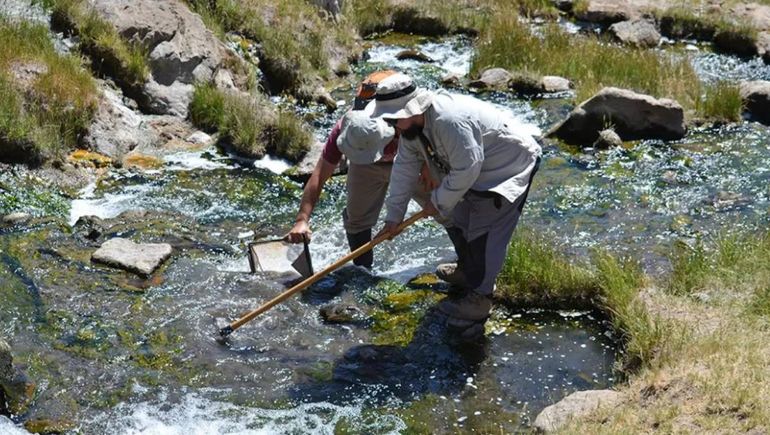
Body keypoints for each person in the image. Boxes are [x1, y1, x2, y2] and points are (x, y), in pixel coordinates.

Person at [373, 73, 541, 324]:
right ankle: (467, 271)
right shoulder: (411, 129)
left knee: (484, 234)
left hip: (507, 168)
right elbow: (404, 169)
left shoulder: (450, 120)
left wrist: (438, 201)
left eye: (394, 118)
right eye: (389, 119)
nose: (392, 125)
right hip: (473, 171)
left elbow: (468, 168)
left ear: (413, 109)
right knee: (459, 219)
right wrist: (394, 216)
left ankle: (481, 298)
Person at [285, 71, 439, 268]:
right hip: (367, 169)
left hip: (412, 159)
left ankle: (467, 264)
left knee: (443, 204)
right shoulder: (349, 130)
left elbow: (430, 133)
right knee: (356, 221)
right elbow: (319, 176)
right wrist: (302, 220)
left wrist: (428, 164)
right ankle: (363, 272)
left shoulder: (404, 120)